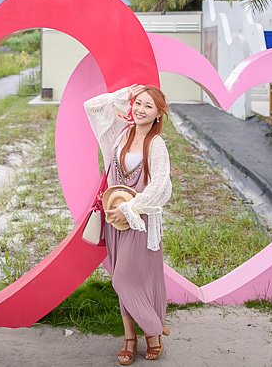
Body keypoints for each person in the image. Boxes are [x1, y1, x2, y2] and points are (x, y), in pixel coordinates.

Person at [84, 84, 172, 364]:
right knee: (125, 279)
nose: (140, 110)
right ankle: (130, 339)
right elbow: (93, 107)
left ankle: (153, 332)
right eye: (138, 103)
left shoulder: (156, 144)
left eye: (148, 106)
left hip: (141, 221)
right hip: (115, 221)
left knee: (129, 279)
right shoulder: (120, 135)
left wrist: (131, 209)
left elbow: (160, 185)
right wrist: (123, 96)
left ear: (158, 114)